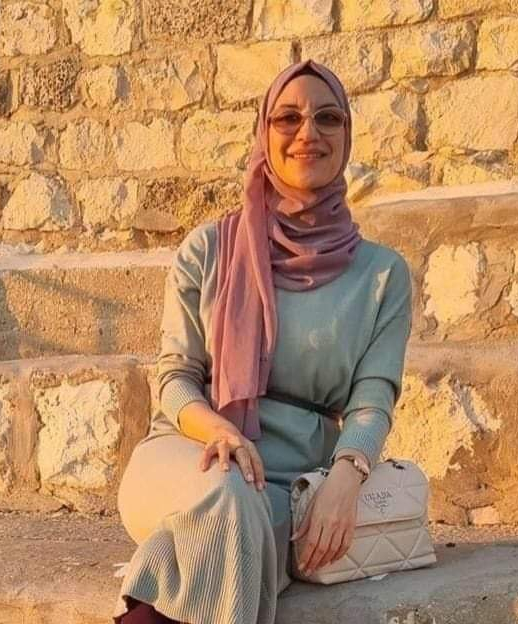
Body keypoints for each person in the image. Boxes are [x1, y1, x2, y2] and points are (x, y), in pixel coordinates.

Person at [112, 59, 413, 624]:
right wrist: (219, 430)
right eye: (288, 118)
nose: (308, 133)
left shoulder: (381, 275)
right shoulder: (208, 249)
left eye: (328, 118)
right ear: (264, 133)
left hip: (289, 487)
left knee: (190, 554)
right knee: (227, 494)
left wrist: (346, 478)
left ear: (347, 135)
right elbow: (174, 378)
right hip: (189, 456)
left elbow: (373, 402)